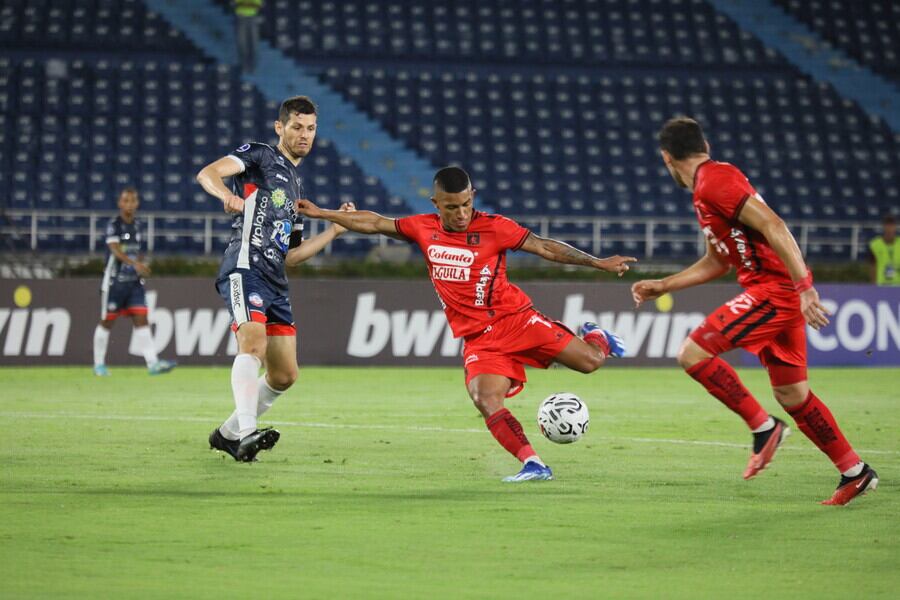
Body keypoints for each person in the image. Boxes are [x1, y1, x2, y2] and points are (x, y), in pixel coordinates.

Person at [295, 166, 636, 482]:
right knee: (485, 398)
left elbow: (544, 247)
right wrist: (324, 213)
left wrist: (599, 263)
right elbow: (374, 222)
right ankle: (533, 463)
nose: (461, 214)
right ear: (436, 204)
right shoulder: (422, 227)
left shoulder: (495, 227)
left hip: (516, 320)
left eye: (466, 204)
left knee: (591, 362)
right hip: (479, 339)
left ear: (473, 196)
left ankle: (596, 334)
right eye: (451, 207)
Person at [631, 117, 877, 505]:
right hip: (773, 290)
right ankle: (854, 471)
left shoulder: (717, 180)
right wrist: (665, 284)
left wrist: (803, 287)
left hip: (775, 291)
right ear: (705, 145)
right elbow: (718, 261)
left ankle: (764, 429)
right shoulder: (706, 189)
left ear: (667, 159)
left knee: (692, 352)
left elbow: (774, 225)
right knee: (793, 394)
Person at [196, 95, 354, 463]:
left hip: (274, 279)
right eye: (297, 127)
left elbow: (293, 256)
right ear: (279, 127)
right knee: (252, 345)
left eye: (311, 128)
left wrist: (332, 233)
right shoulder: (261, 154)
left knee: (284, 374)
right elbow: (208, 173)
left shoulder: (295, 186)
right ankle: (248, 433)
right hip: (245, 265)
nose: (304, 134)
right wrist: (227, 197)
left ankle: (228, 434)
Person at [92, 188, 177, 377]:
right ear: (120, 204)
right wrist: (135, 263)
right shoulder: (114, 225)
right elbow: (114, 249)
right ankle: (98, 365)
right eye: (126, 201)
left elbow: (137, 250)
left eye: (132, 201)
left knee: (142, 319)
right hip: (114, 282)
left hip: (133, 283)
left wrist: (139, 263)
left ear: (137, 204)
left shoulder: (138, 226)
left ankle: (153, 363)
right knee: (107, 321)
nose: (129, 204)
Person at [868, 214, 899, 286]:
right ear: (883, 227)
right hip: (881, 284)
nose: (889, 229)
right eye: (887, 225)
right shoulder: (875, 244)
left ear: (895, 227)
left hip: (898, 285)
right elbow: (873, 265)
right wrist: (873, 284)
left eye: (892, 226)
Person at [234, 0, 262, 74]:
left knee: (253, 43)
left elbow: (257, 5)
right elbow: (237, 3)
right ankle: (244, 67)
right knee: (242, 43)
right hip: (241, 17)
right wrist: (248, 4)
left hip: (253, 17)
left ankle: (252, 67)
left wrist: (245, 4)